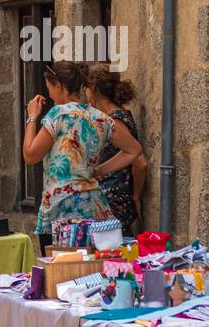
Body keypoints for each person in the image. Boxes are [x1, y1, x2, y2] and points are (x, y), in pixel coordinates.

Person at [23, 61, 142, 250]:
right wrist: (100, 170)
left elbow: (30, 156)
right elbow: (134, 150)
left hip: (60, 208)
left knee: (58, 273)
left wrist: (31, 117)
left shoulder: (58, 114)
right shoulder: (101, 118)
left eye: (50, 88)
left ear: (60, 86)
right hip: (93, 207)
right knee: (91, 270)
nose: (50, 95)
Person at [86, 66, 147, 236]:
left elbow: (141, 162)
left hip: (114, 198)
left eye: (87, 89)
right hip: (116, 197)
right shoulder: (122, 114)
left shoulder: (115, 121)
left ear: (93, 88)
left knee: (112, 246)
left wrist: (136, 196)